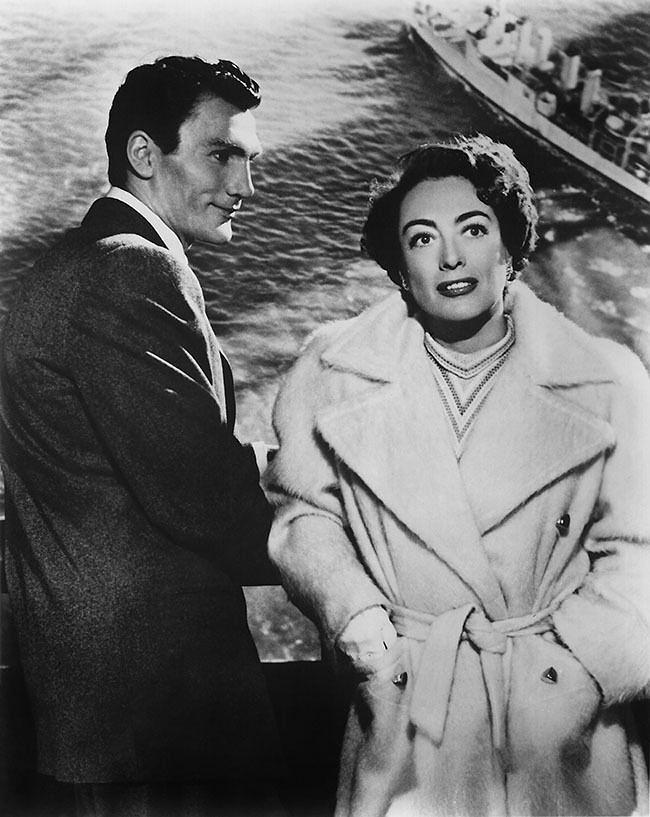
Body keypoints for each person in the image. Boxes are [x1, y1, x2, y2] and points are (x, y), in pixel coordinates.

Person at [265, 134, 650, 816]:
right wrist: (355, 615)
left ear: (510, 247)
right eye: (422, 238)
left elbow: (640, 552)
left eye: (473, 229)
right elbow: (305, 515)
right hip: (410, 711)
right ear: (399, 264)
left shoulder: (606, 379)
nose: (450, 257)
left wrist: (579, 671)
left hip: (560, 734)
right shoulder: (334, 374)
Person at [0, 56, 284, 816]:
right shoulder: (132, 271)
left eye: (250, 160)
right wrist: (350, 555)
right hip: (163, 703)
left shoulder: (65, 266)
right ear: (144, 155)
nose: (245, 185)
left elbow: (118, 467)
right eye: (222, 155)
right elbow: (204, 501)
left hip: (101, 696)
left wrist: (273, 467)